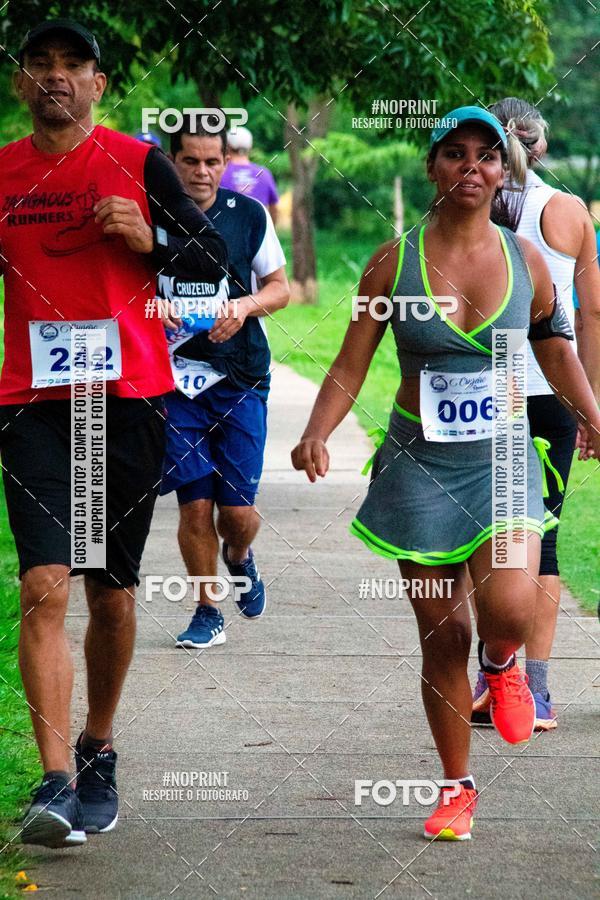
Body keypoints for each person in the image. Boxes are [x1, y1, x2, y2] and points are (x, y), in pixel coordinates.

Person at [291, 106, 600, 841]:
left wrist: (592, 412)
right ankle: (457, 788)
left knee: (510, 610)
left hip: (501, 457)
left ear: (503, 173)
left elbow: (555, 350)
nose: (472, 167)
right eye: (455, 153)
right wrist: (315, 432)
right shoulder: (389, 262)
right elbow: (348, 364)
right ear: (432, 167)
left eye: (487, 157)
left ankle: (505, 664)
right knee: (440, 638)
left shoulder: (525, 261)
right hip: (418, 468)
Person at [0, 19, 227, 848]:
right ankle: (55, 779)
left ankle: (99, 747)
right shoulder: (2, 172)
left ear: (99, 83)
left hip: (121, 404)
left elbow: (213, 265)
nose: (56, 76)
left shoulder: (139, 162)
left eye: (74, 64)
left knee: (110, 593)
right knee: (44, 585)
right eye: (41, 64)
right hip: (31, 403)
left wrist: (154, 238)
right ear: (22, 82)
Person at [471, 98, 600, 731]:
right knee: (541, 539)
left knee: (484, 538)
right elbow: (594, 313)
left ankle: (490, 679)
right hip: (553, 391)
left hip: (480, 392)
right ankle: (536, 692)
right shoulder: (571, 212)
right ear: (541, 147)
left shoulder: (470, 208)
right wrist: (591, 405)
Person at [157, 115, 289, 649]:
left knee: (236, 513)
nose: (203, 173)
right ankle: (207, 609)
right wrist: (153, 308)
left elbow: (280, 288)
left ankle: (239, 556)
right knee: (194, 504)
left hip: (240, 377)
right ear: (172, 163)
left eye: (214, 161)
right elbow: (125, 292)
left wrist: (244, 306)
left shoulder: (249, 215)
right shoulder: (153, 219)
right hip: (174, 382)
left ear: (227, 162)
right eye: (190, 161)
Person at [220, 125, 280, 224]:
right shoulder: (264, 174)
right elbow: (274, 209)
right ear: (250, 147)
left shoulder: (219, 173)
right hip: (257, 236)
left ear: (227, 146)